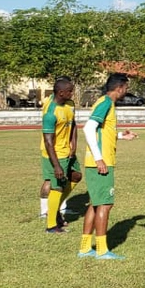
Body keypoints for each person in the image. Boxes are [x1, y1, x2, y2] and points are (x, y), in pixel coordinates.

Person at [78, 73, 130, 260]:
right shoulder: (106, 102)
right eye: (126, 88)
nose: (127, 91)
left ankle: (85, 248)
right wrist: (99, 159)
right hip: (101, 162)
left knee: (95, 204)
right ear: (120, 87)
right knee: (105, 205)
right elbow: (88, 128)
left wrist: (122, 136)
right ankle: (101, 250)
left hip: (97, 161)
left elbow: (101, 132)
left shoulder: (104, 102)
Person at [39, 77, 81, 233]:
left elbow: (74, 123)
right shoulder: (50, 113)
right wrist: (56, 165)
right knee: (57, 187)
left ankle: (54, 207)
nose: (72, 93)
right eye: (70, 91)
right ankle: (51, 226)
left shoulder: (69, 104)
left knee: (76, 176)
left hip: (68, 150)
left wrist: (74, 144)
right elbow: (48, 142)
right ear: (61, 92)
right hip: (55, 153)